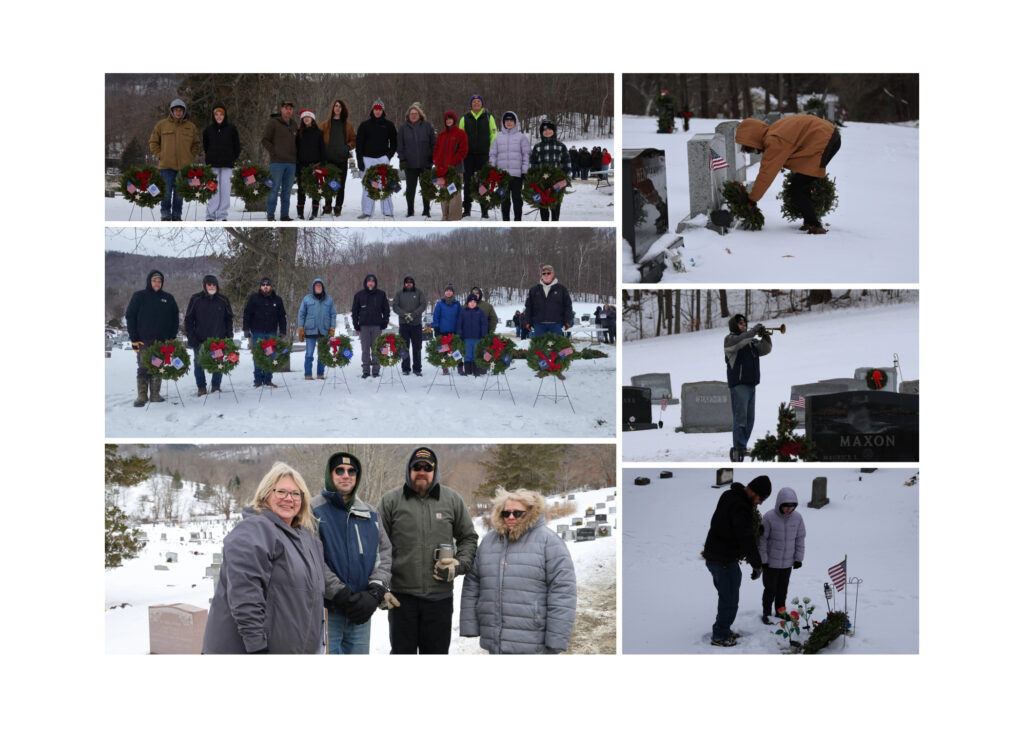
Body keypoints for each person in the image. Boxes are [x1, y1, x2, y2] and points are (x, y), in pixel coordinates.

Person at [202, 462, 326, 654]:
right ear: (266, 494)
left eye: (295, 494)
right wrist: (257, 647)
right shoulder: (255, 528)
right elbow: (245, 593)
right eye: (281, 492)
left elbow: (315, 589)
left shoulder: (307, 538)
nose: (289, 499)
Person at [377, 447, 478, 654]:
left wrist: (458, 565)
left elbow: (468, 538)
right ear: (408, 470)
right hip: (401, 600)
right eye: (417, 467)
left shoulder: (452, 500)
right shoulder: (390, 501)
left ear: (435, 471)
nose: (421, 471)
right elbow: (376, 547)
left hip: (439, 599)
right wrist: (379, 587)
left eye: (427, 467)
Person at [460, 488, 576, 654]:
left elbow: (563, 592)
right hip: (496, 641)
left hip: (534, 642)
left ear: (530, 512)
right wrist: (470, 625)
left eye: (517, 513)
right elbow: (472, 584)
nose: (511, 517)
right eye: (506, 513)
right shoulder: (488, 542)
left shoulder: (549, 542)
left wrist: (557, 638)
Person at [312, 451, 393, 654]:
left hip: (361, 614)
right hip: (328, 612)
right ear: (329, 474)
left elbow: (384, 554)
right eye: (339, 470)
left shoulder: (371, 513)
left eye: (351, 471)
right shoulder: (313, 510)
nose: (346, 475)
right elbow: (312, 559)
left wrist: (375, 592)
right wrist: (341, 594)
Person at [734, 115, 842, 234]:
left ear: (753, 138)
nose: (754, 150)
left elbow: (767, 173)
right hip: (826, 136)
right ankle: (810, 222)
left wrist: (752, 199)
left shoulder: (774, 140)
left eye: (751, 147)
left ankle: (814, 225)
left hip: (824, 140)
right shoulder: (774, 131)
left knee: (798, 188)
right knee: (800, 185)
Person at [702, 476, 772, 647]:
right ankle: (720, 635)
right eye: (760, 498)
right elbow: (745, 537)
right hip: (723, 559)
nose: (760, 503)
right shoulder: (741, 507)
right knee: (729, 599)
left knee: (727, 596)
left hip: (715, 556)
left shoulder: (729, 495)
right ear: (753, 491)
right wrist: (757, 564)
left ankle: (723, 629)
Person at [126, 269, 180, 406]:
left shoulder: (168, 298)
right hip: (143, 341)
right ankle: (142, 396)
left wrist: (171, 338)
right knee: (143, 367)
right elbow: (130, 316)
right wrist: (134, 338)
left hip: (161, 343)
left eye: (159, 281)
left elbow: (175, 319)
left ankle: (155, 395)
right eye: (154, 280)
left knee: (157, 367)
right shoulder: (139, 296)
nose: (157, 283)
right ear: (149, 281)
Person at [724, 313, 773, 462]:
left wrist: (765, 335)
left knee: (750, 419)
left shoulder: (750, 342)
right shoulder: (730, 339)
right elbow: (740, 341)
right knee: (741, 419)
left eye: (745, 322)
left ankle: (742, 447)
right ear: (734, 325)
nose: (744, 324)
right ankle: (738, 447)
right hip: (739, 385)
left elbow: (766, 349)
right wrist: (753, 332)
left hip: (751, 384)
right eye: (740, 323)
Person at [758, 486, 806, 625]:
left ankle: (780, 612)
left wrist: (798, 558)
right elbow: (762, 540)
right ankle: (766, 613)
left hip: (787, 563)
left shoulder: (797, 518)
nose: (788, 509)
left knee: (782, 590)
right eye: (785, 506)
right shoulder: (769, 517)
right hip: (771, 563)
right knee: (770, 589)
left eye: (791, 507)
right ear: (779, 503)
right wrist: (764, 560)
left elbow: (800, 538)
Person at [148, 98, 200, 221]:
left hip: (184, 167)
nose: (178, 112)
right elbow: (153, 142)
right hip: (166, 166)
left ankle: (177, 216)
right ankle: (165, 215)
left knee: (179, 195)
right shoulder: (161, 125)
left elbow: (196, 144)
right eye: (176, 110)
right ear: (172, 111)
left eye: (180, 110)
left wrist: (190, 156)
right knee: (165, 193)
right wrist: (160, 155)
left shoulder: (190, 126)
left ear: (184, 112)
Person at [183, 274, 233, 396]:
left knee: (218, 364)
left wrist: (228, 336)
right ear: (205, 286)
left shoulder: (223, 300)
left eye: (214, 284)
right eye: (209, 284)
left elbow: (229, 319)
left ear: (217, 285)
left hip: (218, 341)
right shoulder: (196, 299)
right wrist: (191, 337)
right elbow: (189, 320)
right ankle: (201, 387)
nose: (211, 286)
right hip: (200, 340)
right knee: (199, 364)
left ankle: (216, 386)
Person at [355, 98, 398, 219]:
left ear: (383, 111)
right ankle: (367, 211)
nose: (377, 111)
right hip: (367, 159)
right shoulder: (364, 125)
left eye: (380, 109)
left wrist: (388, 156)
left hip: (382, 159)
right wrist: (359, 160)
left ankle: (388, 210)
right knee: (367, 185)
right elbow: (359, 144)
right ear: (372, 110)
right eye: (375, 109)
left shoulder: (389, 125)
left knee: (385, 183)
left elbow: (394, 143)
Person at [243, 277, 287, 388]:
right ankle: (257, 380)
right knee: (258, 356)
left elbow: (282, 317)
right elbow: (247, 314)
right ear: (260, 286)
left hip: (271, 334)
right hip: (258, 333)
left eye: (267, 284)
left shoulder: (277, 300)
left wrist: (282, 330)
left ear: (270, 286)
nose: (265, 286)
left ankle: (268, 379)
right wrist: (246, 329)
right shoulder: (254, 298)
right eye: (263, 285)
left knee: (271, 356)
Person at [396, 102, 437, 218]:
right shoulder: (403, 128)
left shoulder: (427, 126)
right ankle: (410, 210)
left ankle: (426, 210)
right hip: (410, 164)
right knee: (410, 189)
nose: (413, 115)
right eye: (411, 113)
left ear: (420, 114)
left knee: (426, 188)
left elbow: (434, 143)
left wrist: (432, 156)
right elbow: (400, 145)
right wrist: (402, 159)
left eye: (416, 113)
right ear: (408, 115)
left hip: (425, 163)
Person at [460, 94, 497, 218]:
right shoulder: (465, 118)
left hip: (483, 155)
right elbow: (460, 137)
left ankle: (484, 209)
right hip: (468, 156)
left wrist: (491, 152)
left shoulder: (488, 117)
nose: (476, 103)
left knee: (483, 183)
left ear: (482, 104)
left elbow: (493, 136)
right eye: (474, 101)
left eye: (478, 101)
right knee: (468, 183)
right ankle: (467, 209)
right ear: (471, 104)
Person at [260, 99, 299, 221]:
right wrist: (274, 152)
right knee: (273, 189)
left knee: (287, 191)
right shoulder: (273, 122)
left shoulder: (294, 124)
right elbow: (265, 140)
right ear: (281, 109)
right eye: (286, 108)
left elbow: (297, 142)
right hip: (277, 163)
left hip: (291, 163)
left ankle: (284, 215)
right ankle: (270, 215)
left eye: (290, 108)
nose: (288, 110)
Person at [489, 111, 530, 221]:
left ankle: (518, 219)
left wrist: (525, 170)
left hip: (517, 175)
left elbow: (526, 155)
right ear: (503, 122)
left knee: (517, 199)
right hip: (502, 176)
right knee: (504, 200)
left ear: (515, 122)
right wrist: (492, 170)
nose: (509, 122)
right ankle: (505, 220)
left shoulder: (521, 137)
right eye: (506, 120)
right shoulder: (498, 138)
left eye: (511, 120)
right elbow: (493, 155)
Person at [202, 103, 241, 221]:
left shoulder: (232, 129)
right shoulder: (208, 130)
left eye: (221, 114)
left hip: (227, 165)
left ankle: (222, 215)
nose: (219, 117)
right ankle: (211, 215)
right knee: (213, 189)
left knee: (225, 190)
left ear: (225, 116)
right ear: (213, 116)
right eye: (216, 114)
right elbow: (206, 146)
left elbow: (237, 146)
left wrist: (232, 157)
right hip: (212, 165)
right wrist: (211, 156)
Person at [318, 98, 356, 217]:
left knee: (341, 184)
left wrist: (347, 147)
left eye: (340, 106)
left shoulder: (348, 125)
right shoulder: (325, 124)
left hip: (342, 159)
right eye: (336, 106)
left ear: (343, 109)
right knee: (329, 182)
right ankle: (328, 205)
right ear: (333, 108)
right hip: (329, 159)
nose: (338, 108)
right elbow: (317, 138)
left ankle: (338, 206)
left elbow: (354, 140)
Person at [529, 120, 572, 221]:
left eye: (549, 129)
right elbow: (534, 164)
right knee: (543, 209)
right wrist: (534, 179)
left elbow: (567, 163)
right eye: (544, 130)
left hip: (557, 182)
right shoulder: (537, 147)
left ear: (554, 131)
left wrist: (566, 179)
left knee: (555, 208)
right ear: (541, 132)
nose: (547, 132)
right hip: (541, 182)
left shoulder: (561, 146)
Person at [351, 274, 390, 378]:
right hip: (364, 327)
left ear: (375, 283)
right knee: (365, 350)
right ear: (366, 282)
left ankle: (376, 370)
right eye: (369, 281)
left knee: (376, 349)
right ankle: (366, 370)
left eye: (372, 281)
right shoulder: (359, 295)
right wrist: (356, 325)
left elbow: (386, 310)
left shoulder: (381, 294)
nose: (371, 283)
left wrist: (385, 322)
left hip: (377, 326)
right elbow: (354, 311)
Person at [297, 278, 336, 380]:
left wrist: (332, 328)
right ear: (313, 287)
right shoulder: (307, 299)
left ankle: (320, 374)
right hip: (310, 330)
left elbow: (333, 314)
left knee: (322, 353)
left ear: (323, 287)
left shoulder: (329, 299)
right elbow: (301, 314)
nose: (318, 287)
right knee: (309, 354)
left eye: (320, 286)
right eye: (316, 285)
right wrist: (301, 328)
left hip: (324, 330)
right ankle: (308, 374)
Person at [432, 110, 469, 221]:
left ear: (454, 120)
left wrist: (451, 164)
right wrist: (438, 164)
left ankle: (454, 217)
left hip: (455, 170)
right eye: (447, 119)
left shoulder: (460, 133)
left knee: (454, 195)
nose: (449, 121)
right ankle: (445, 216)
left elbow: (463, 151)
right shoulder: (442, 135)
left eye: (450, 119)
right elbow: (437, 151)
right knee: (444, 194)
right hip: (442, 171)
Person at [522, 264, 573, 337]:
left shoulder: (562, 289)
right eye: (544, 273)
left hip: (556, 324)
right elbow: (528, 307)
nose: (546, 275)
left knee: (556, 347)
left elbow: (568, 306)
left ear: (553, 274)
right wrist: (527, 321)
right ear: (541, 275)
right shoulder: (534, 290)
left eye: (548, 273)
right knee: (539, 347)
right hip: (539, 325)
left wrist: (567, 321)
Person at [295, 109, 327, 220]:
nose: (306, 119)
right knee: (301, 189)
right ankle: (300, 213)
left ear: (312, 119)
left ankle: (314, 212)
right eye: (304, 117)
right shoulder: (299, 133)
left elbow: (322, 150)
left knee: (315, 189)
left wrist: (322, 165)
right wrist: (296, 165)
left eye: (308, 117)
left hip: (315, 166)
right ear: (302, 120)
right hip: (302, 165)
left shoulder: (318, 133)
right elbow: (296, 150)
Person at [393, 275, 426, 376]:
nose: (408, 284)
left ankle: (417, 368)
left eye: (410, 282)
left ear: (413, 283)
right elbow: (395, 306)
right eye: (407, 282)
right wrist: (404, 314)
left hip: (416, 324)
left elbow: (423, 305)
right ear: (404, 283)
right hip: (404, 324)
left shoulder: (419, 292)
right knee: (404, 347)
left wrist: (414, 314)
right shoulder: (399, 293)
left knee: (417, 347)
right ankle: (405, 368)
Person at [431, 284, 461, 375]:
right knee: (443, 351)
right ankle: (445, 368)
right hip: (443, 332)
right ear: (445, 292)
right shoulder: (440, 304)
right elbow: (436, 317)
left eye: (450, 290)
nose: (448, 292)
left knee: (456, 350)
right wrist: (436, 328)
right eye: (447, 290)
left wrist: (460, 329)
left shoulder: (457, 304)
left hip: (454, 331)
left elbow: (460, 317)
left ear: (453, 292)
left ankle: (460, 367)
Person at [456, 293, 488, 377]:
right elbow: (459, 324)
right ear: (467, 302)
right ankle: (468, 371)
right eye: (470, 301)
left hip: (477, 338)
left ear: (476, 303)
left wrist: (483, 335)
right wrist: (459, 335)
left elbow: (484, 324)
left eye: (474, 301)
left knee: (475, 354)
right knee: (468, 354)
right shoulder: (463, 312)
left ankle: (476, 371)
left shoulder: (481, 312)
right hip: (466, 338)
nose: (472, 303)